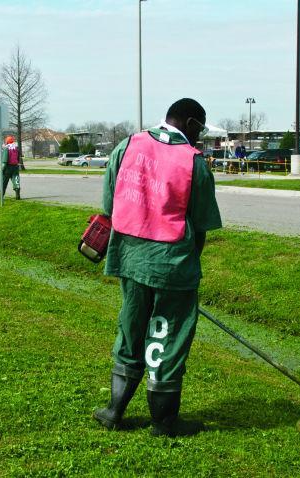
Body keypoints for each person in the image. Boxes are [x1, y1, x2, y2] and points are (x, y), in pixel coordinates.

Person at [93, 98, 222, 437]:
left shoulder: (128, 145)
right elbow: (202, 223)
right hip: (172, 264)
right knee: (167, 334)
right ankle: (164, 421)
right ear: (191, 123)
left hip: (131, 258)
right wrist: (189, 266)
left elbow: (110, 204)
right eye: (201, 129)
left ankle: (114, 410)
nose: (201, 136)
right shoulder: (194, 163)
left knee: (132, 328)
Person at [0, 135, 22, 200]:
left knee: (4, 182)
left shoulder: (6, 149)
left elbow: (4, 161)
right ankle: (17, 194)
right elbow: (18, 158)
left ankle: (1, 195)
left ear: (7, 142)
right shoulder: (16, 149)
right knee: (16, 180)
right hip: (15, 167)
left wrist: (0, 169)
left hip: (7, 168)